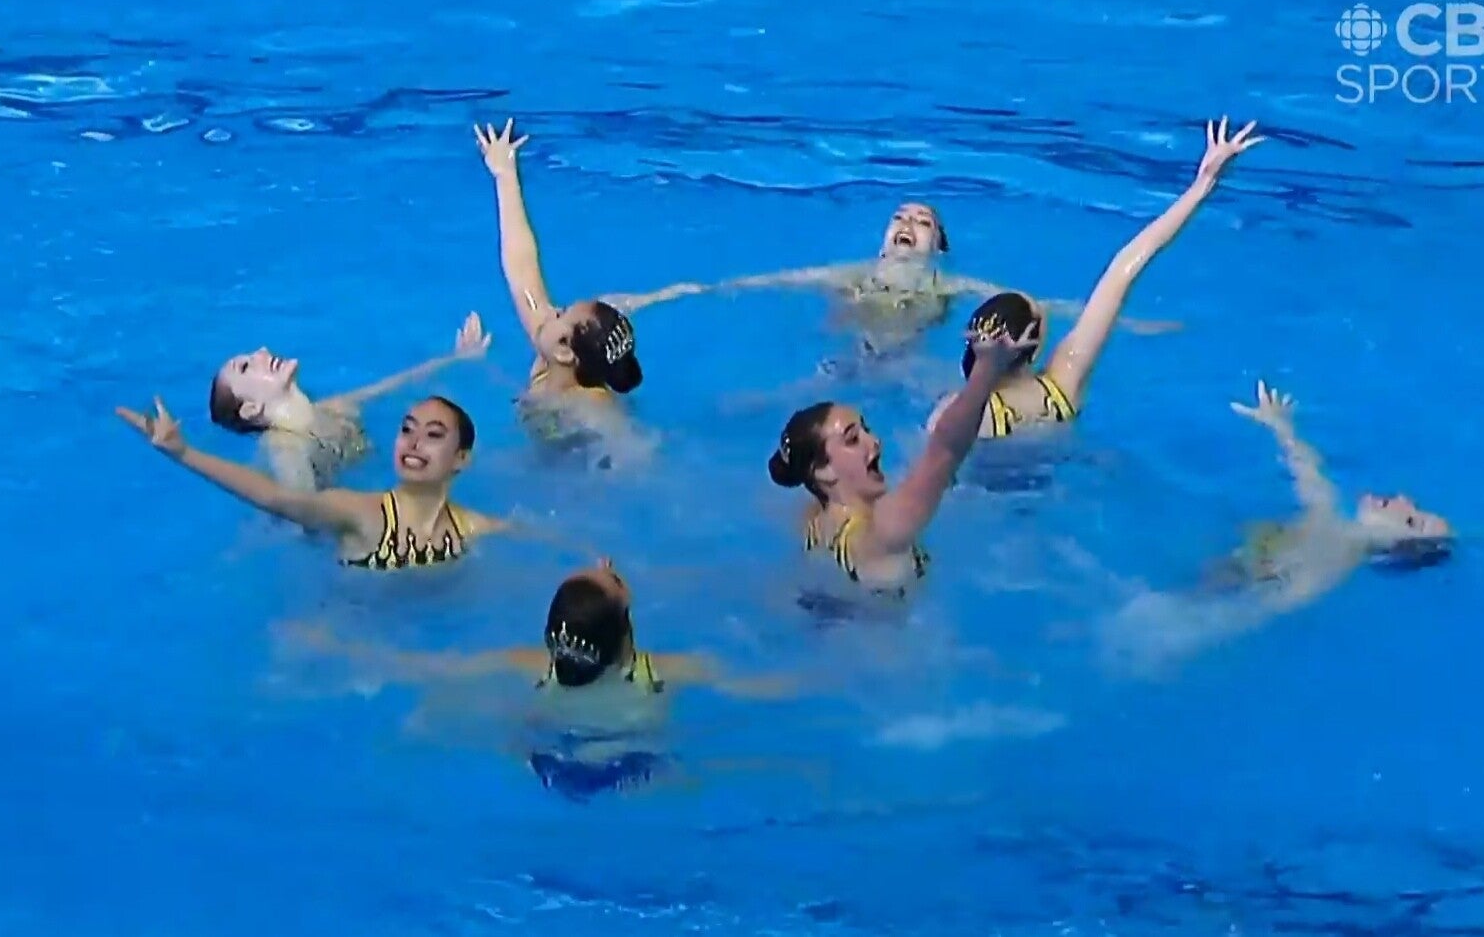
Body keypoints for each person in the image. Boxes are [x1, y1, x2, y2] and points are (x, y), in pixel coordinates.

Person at [278, 560, 791, 800]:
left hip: (546, 767)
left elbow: (423, 667)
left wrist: (333, 645)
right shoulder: (671, 672)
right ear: (626, 629)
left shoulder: (531, 665)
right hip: (640, 773)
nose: (604, 564)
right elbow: (768, 692)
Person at [926, 118, 1264, 439]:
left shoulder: (960, 412)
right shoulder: (1063, 384)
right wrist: (1202, 186)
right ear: (1034, 344)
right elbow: (1123, 271)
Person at [693, 201, 1176, 371]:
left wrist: (1130, 323)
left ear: (937, 247)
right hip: (842, 355)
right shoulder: (850, 274)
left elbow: (1035, 306)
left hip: (906, 364)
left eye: (923, 222)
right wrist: (683, 292)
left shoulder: (947, 284)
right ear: (884, 239)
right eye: (900, 217)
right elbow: (766, 281)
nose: (908, 223)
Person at [473, 120, 707, 461]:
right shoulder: (550, 358)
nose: (552, 310)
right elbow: (522, 268)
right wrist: (505, 175)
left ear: (565, 351)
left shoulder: (595, 410)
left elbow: (639, 459)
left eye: (561, 315)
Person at [766, 324, 1028, 602]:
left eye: (866, 429)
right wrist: (987, 370)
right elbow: (944, 450)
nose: (875, 441)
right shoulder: (880, 535)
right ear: (824, 471)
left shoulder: (813, 520)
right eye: (853, 439)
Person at [116, 393, 507, 569]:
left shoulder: (473, 528)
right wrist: (184, 453)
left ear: (461, 458)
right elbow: (275, 497)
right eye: (407, 429)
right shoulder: (358, 512)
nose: (414, 442)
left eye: (434, 435)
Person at [1215, 379, 1454, 607]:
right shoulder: (1330, 521)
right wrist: (1280, 424)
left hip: (1226, 586)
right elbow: (1307, 469)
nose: (1403, 498)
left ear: (1396, 540)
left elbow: (1247, 610)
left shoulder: (1330, 562)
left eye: (1413, 520)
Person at [207, 312, 490, 490]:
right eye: (245, 367)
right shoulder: (285, 449)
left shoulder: (333, 407)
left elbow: (395, 385)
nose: (262, 350)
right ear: (251, 409)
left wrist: (457, 358)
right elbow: (305, 517)